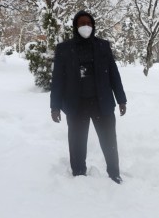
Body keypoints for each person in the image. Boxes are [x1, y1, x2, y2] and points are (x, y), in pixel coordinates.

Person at [50, 10, 127, 184]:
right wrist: (55, 106)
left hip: (102, 103)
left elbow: (114, 74)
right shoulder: (64, 49)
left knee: (109, 140)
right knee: (77, 141)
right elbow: (57, 80)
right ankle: (78, 174)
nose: (86, 26)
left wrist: (121, 99)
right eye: (82, 23)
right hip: (76, 105)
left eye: (88, 23)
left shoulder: (103, 46)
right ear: (76, 26)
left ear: (93, 26)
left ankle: (114, 173)